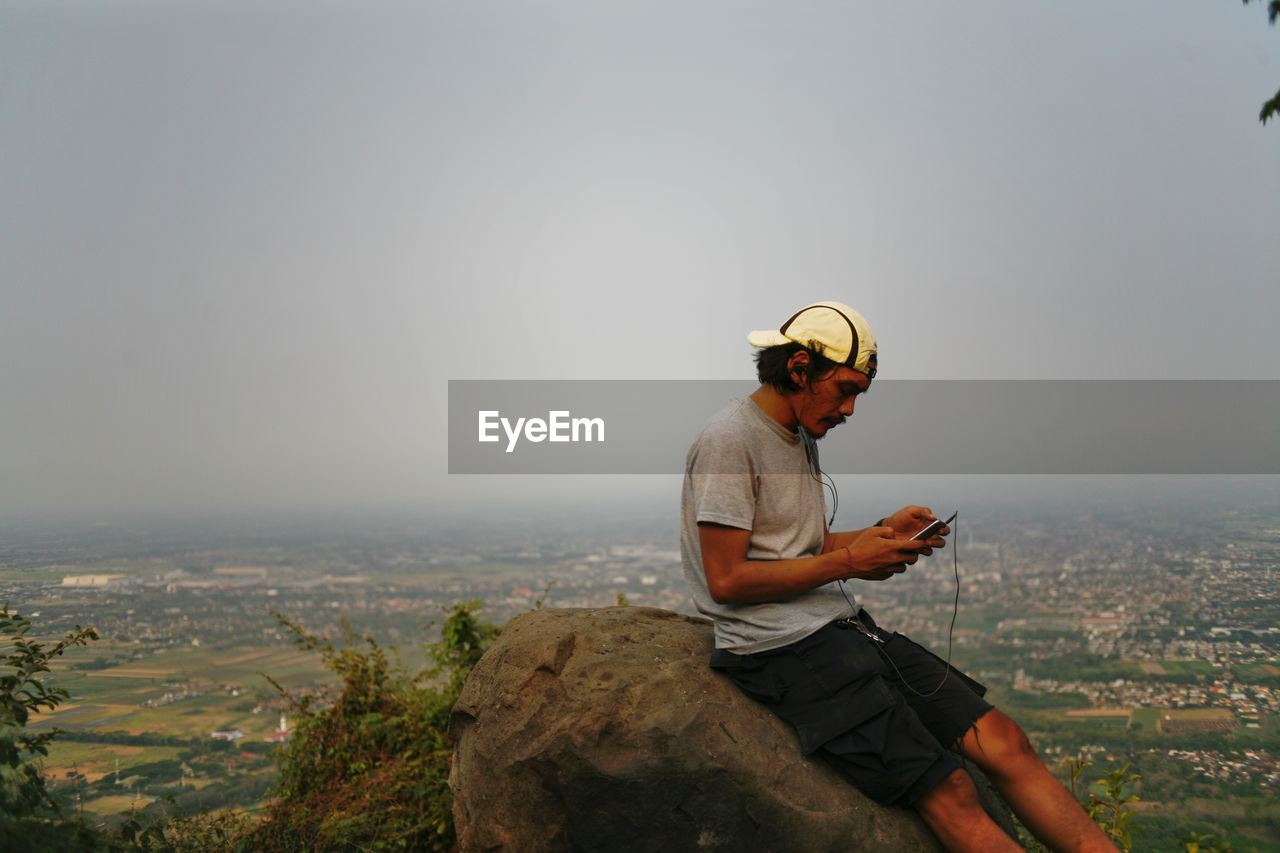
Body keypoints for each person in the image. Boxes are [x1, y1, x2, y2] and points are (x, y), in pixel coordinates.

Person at [680, 302, 1116, 852]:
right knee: (953, 793)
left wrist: (880, 533)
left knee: (1006, 743)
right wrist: (850, 564)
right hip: (779, 651)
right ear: (797, 369)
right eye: (844, 389)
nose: (851, 408)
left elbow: (794, 547)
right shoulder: (731, 439)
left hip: (841, 627)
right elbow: (726, 579)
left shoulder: (796, 434)